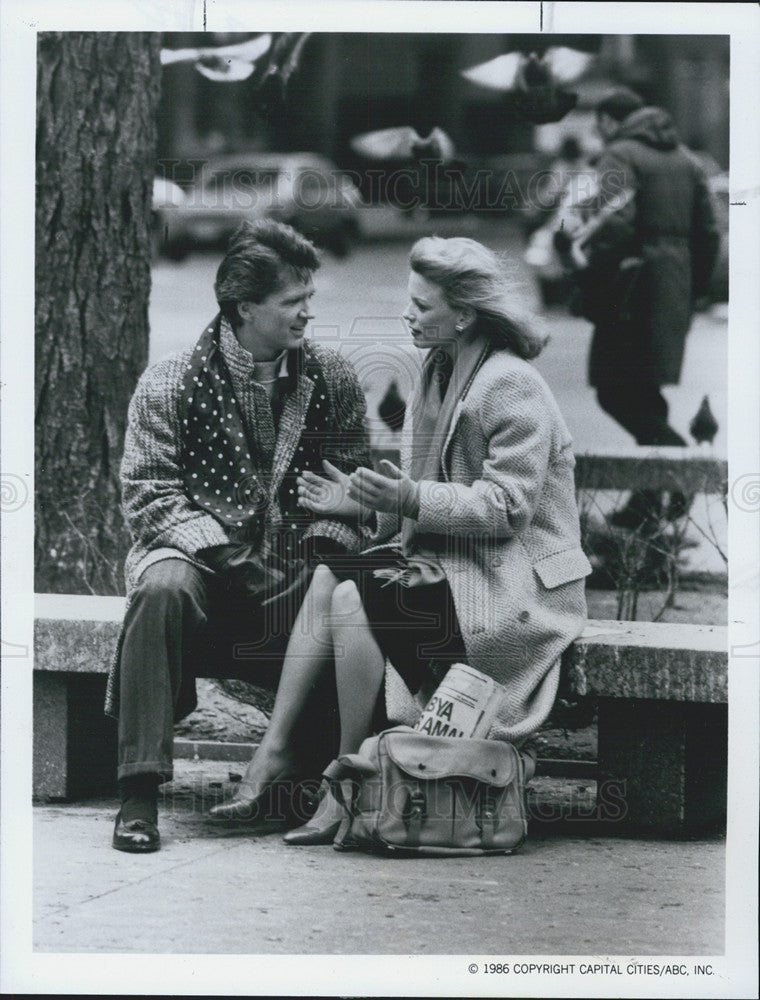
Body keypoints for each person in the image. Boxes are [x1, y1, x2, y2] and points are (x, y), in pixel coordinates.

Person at [210, 236, 592, 844]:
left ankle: (332, 779)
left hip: (511, 591)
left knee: (346, 589)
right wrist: (361, 505)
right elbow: (414, 503)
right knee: (337, 579)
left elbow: (507, 508)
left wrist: (405, 499)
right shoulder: (438, 374)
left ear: (462, 315)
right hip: (456, 570)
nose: (407, 316)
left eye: (421, 305)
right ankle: (323, 769)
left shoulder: (509, 384)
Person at [107, 220, 371, 853]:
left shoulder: (331, 379)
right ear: (244, 306)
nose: (308, 313)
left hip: (297, 577)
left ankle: (307, 777)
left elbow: (353, 496)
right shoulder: (168, 383)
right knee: (161, 589)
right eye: (292, 302)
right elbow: (149, 497)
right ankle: (139, 795)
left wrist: (318, 548)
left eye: (309, 298)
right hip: (200, 568)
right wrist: (233, 557)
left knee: (340, 592)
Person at [566, 88, 719, 527]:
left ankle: (679, 468)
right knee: (644, 389)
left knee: (615, 389)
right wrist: (692, 288)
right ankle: (650, 500)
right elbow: (708, 234)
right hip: (673, 286)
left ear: (613, 122)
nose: (598, 134)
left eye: (599, 125)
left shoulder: (619, 154)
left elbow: (612, 219)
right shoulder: (688, 160)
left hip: (630, 290)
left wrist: (587, 273)